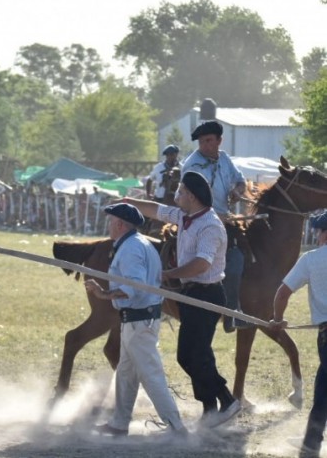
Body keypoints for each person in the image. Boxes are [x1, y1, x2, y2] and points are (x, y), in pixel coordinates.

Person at [123, 171, 241, 429]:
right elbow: (157, 210)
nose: (176, 195)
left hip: (207, 295)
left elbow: (201, 264)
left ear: (192, 196)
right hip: (192, 294)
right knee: (195, 355)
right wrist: (129, 203)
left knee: (191, 355)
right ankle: (210, 409)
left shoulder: (210, 225)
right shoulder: (184, 215)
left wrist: (167, 275)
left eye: (180, 191)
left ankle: (227, 399)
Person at [86, 203, 187, 437]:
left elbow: (134, 286)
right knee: (125, 372)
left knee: (151, 375)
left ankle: (176, 428)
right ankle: (119, 424)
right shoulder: (139, 243)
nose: (109, 226)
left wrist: (103, 294)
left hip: (138, 321)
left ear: (120, 224)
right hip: (136, 320)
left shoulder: (131, 248)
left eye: (111, 222)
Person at [181, 120, 248, 332]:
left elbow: (241, 181)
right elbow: (185, 200)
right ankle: (230, 313)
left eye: (209, 141)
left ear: (220, 140)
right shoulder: (192, 165)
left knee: (251, 248)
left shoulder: (225, 158)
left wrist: (237, 191)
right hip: (200, 221)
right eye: (201, 142)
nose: (205, 146)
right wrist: (218, 215)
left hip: (223, 221)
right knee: (234, 258)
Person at [270, 213, 327, 457]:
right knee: (323, 388)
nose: (317, 236)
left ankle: (311, 445)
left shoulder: (312, 260)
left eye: (319, 231)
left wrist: (277, 319)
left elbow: (283, 293)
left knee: (324, 390)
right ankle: (311, 442)